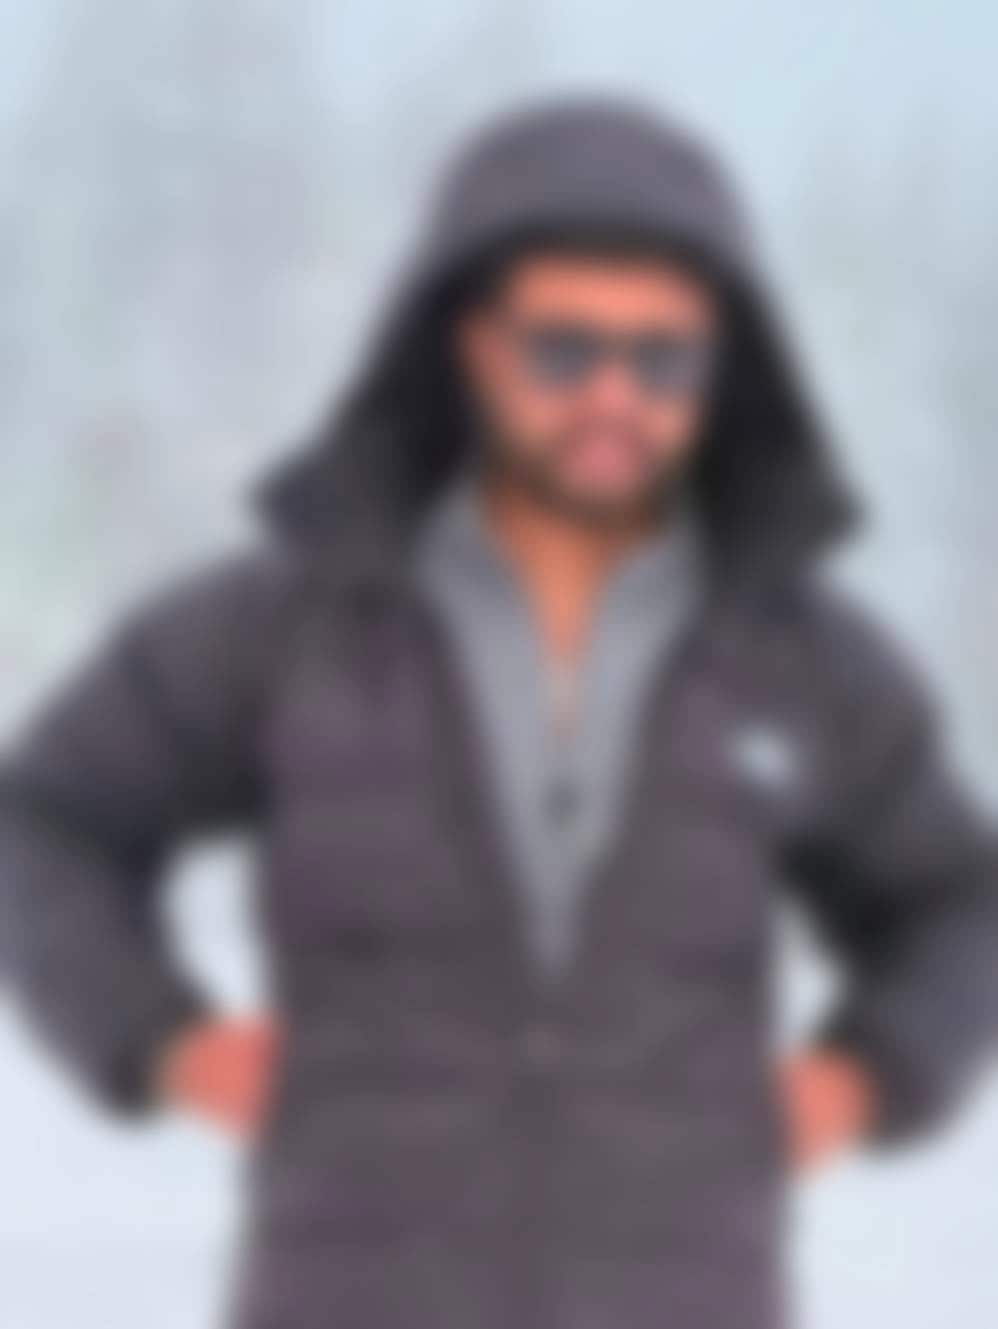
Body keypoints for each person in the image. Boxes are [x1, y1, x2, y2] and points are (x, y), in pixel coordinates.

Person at [2, 96, 997, 1329]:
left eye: (663, 359)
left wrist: (863, 1077)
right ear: (471, 345)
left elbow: (959, 899)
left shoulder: (800, 661)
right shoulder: (292, 627)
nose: (614, 397)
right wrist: (161, 1040)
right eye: (564, 351)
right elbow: (49, 818)